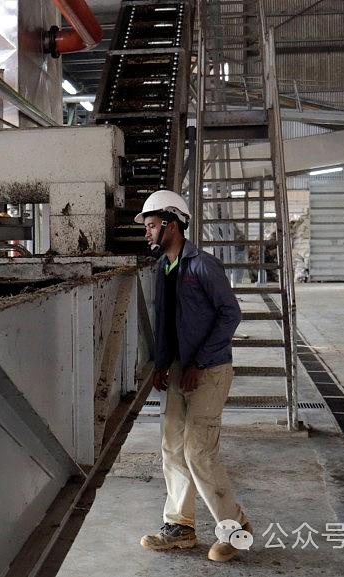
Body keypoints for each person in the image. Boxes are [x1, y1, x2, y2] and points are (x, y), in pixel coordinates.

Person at [135, 189, 251, 562]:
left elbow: (230, 314)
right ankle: (180, 527)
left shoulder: (203, 265)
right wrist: (163, 363)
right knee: (172, 447)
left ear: (172, 224)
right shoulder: (163, 268)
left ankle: (236, 531)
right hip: (180, 369)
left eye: (152, 226)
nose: (148, 233)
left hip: (210, 369)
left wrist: (199, 364)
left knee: (198, 451)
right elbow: (167, 322)